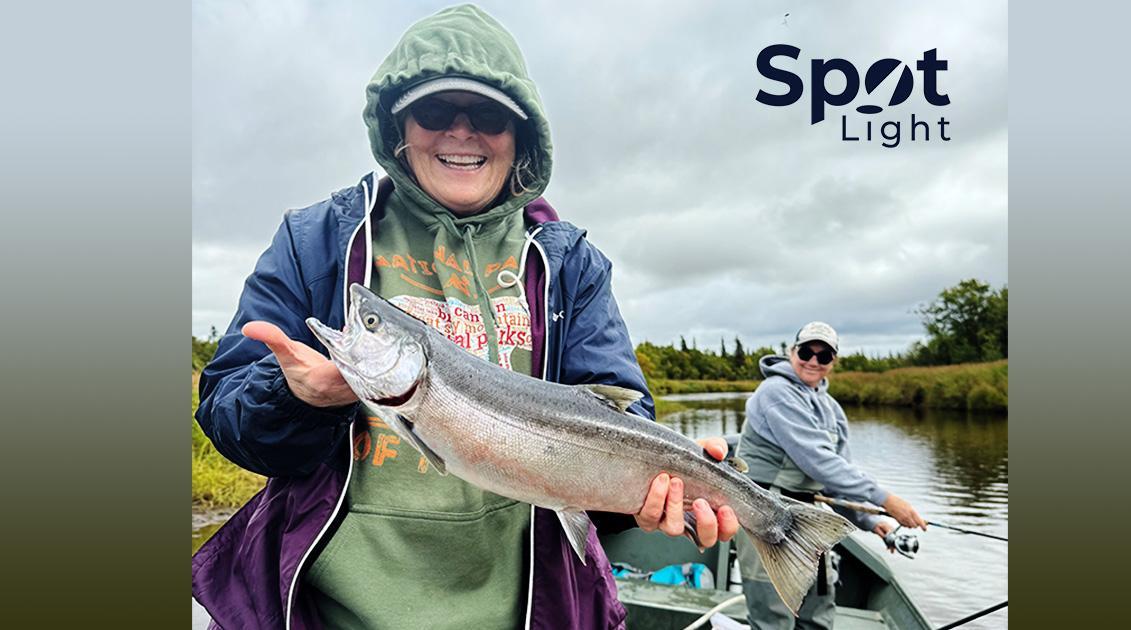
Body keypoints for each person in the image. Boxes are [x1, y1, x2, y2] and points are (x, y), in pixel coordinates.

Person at [191, 5, 737, 629]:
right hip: (324, 613)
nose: (461, 132)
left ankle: (784, 526)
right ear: (398, 126)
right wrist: (296, 399)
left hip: (531, 612)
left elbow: (617, 419)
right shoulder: (318, 239)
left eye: (487, 115)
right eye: (433, 112)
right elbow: (228, 415)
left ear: (520, 133)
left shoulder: (569, 263)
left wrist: (647, 499)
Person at [734, 321, 926, 630]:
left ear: (833, 362)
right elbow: (818, 462)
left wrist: (871, 521)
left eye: (824, 356)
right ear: (791, 352)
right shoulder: (775, 392)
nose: (813, 361)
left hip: (807, 514)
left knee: (818, 607)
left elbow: (836, 477)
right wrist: (887, 500)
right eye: (807, 351)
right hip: (761, 510)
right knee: (773, 614)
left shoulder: (832, 409)